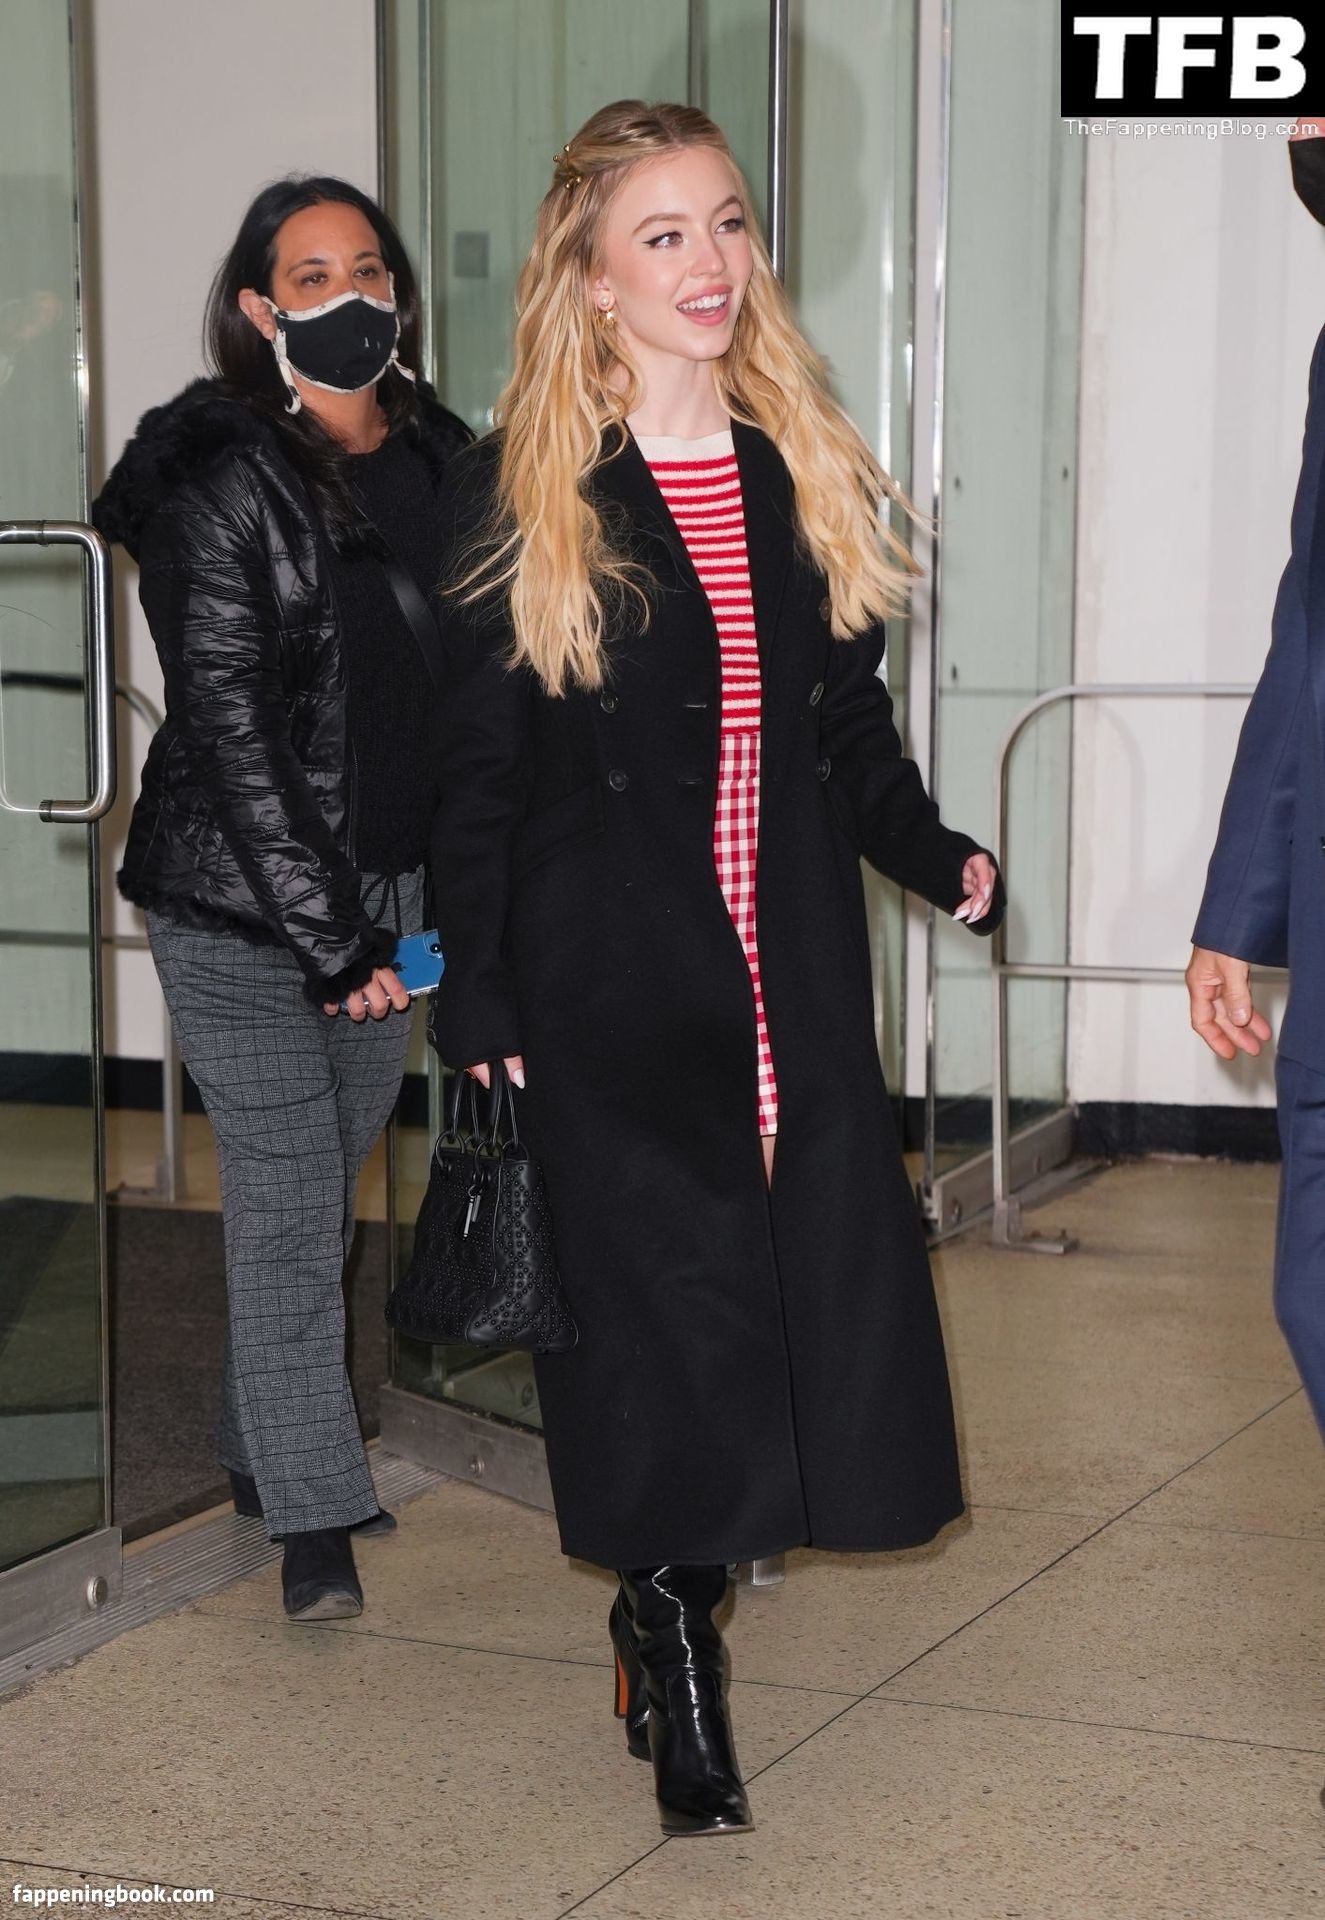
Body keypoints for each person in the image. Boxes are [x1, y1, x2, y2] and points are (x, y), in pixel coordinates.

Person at [428, 100, 1004, 1837]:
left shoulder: (786, 465)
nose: (709, 261)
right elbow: (476, 778)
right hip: (609, 975)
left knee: (776, 1297)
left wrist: (935, 855)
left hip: (784, 966)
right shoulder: (522, 488)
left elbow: (841, 729)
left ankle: (661, 1606)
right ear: (593, 278)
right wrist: (478, 998)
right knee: (660, 1318)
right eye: (663, 233)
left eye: (727, 223)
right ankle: (677, 1645)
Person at [92, 177, 470, 1622]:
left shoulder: (442, 457)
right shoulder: (218, 477)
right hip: (238, 907)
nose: (347, 295)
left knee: (322, 1192)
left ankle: (259, 1445)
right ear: (260, 308)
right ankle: (315, 1515)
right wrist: (330, 940)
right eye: (311, 276)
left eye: (366, 267)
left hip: (395, 900)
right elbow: (233, 733)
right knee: (293, 1192)